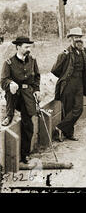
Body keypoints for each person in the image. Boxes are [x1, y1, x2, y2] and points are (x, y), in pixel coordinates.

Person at [51, 27, 86, 142]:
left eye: (80, 38)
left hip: (80, 84)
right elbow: (54, 70)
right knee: (68, 110)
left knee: (78, 109)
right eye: (75, 38)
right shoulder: (64, 54)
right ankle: (68, 134)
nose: (78, 40)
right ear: (70, 39)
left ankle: (59, 127)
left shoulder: (83, 51)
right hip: (68, 85)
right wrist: (64, 77)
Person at [0, 36, 41, 164]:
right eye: (26, 47)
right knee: (11, 89)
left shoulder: (32, 61)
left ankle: (25, 155)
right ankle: (9, 115)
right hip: (14, 96)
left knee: (28, 124)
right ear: (18, 47)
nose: (28, 49)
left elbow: (37, 77)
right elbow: (3, 81)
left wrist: (37, 90)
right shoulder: (9, 62)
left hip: (27, 95)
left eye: (29, 47)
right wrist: (10, 83)